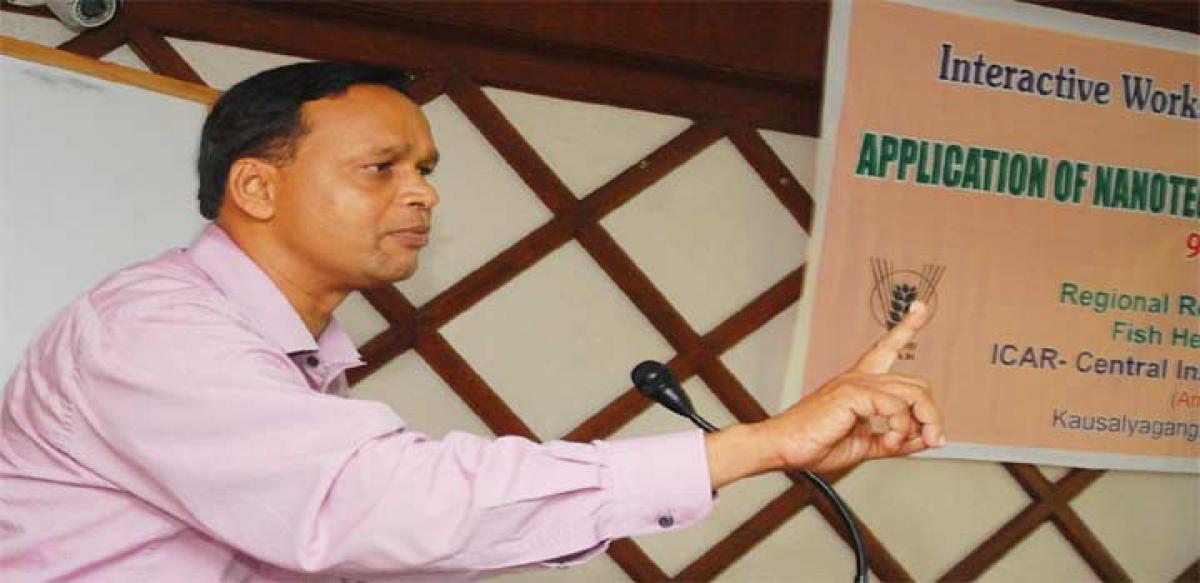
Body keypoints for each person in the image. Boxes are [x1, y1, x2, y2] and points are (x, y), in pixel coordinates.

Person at [0, 62, 943, 582]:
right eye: (382, 168)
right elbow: (372, 504)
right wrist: (760, 446)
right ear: (256, 185)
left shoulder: (284, 355)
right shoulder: (154, 332)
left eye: (428, 168)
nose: (423, 194)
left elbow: (378, 546)